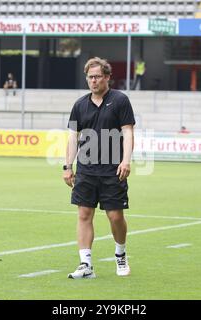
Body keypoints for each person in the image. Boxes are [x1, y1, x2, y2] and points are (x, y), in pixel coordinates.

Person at [63, 57, 135, 279]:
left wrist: (126, 160)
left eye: (97, 77)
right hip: (86, 170)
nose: (93, 81)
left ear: (107, 77)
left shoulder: (120, 100)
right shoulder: (79, 105)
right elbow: (73, 137)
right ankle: (86, 264)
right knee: (84, 214)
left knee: (115, 216)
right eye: (90, 77)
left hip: (113, 170)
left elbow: (128, 132)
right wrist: (68, 165)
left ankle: (120, 254)